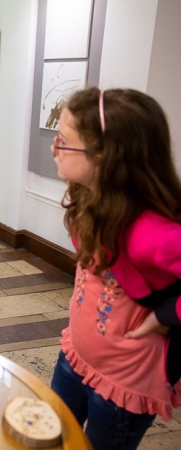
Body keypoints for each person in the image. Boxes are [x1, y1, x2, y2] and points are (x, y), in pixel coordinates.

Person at [49, 87, 181, 449]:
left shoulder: (152, 234)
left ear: (105, 157)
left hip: (123, 382)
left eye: (63, 141)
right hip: (76, 354)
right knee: (52, 438)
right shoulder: (86, 196)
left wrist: (167, 314)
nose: (53, 148)